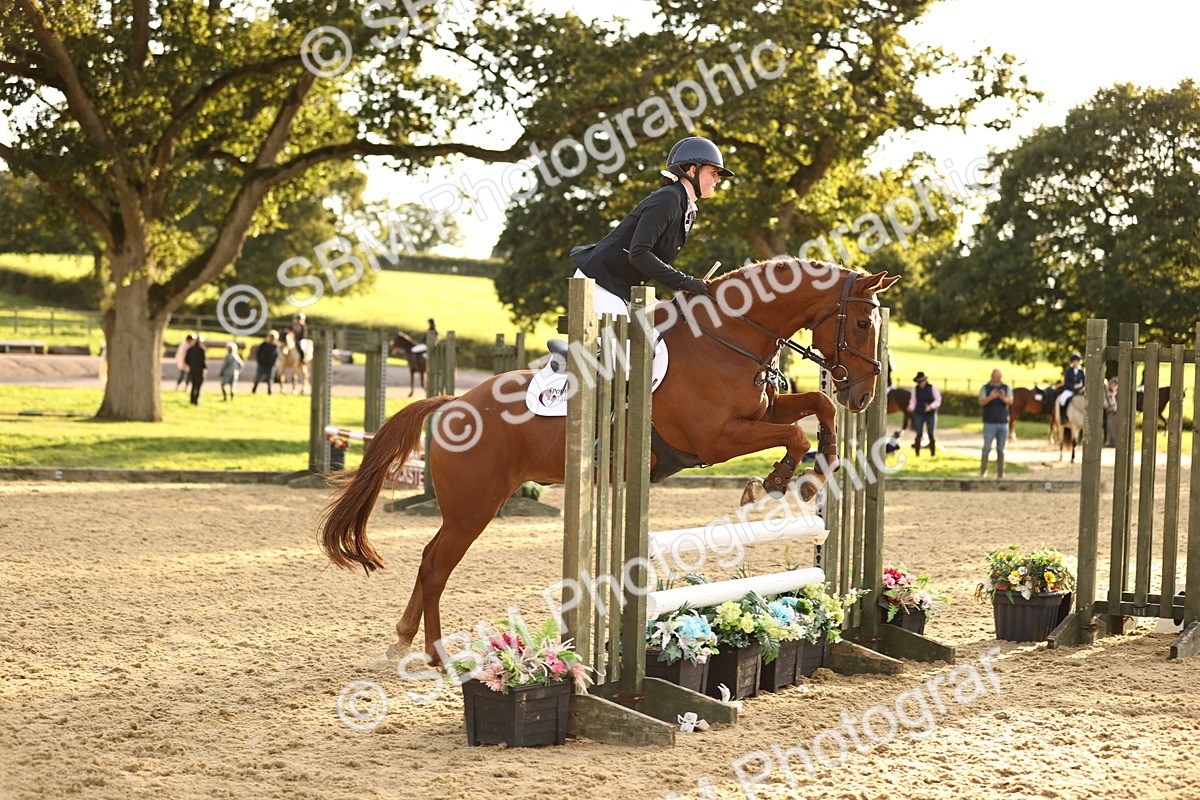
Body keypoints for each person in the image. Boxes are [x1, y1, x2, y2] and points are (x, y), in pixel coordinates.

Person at [568, 136, 728, 317]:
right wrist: (685, 281)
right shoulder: (669, 199)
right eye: (713, 173)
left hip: (624, 288)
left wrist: (687, 284)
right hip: (600, 282)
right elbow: (638, 253)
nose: (718, 179)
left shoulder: (688, 210)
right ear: (693, 170)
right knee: (621, 337)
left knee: (665, 327)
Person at [979, 368, 1012, 478]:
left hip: (1003, 422)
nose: (997, 379)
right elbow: (981, 401)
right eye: (995, 377)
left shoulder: (1006, 388)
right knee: (987, 448)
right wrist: (991, 397)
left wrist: (1003, 397)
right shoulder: (985, 388)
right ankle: (983, 471)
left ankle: (1000, 473)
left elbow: (1010, 401)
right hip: (989, 422)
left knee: (1001, 449)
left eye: (998, 377)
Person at [906, 371, 942, 456]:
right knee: (919, 433)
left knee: (931, 434)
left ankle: (932, 453)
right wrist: (911, 407)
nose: (920, 383)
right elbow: (913, 400)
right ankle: (917, 453)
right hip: (919, 412)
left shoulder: (932, 388)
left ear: (925, 380)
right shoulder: (915, 389)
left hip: (930, 413)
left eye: (921, 381)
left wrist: (930, 406)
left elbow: (938, 400)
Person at [1058, 352, 1085, 423]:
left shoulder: (1082, 371)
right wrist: (1073, 387)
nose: (1076, 362)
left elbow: (1084, 383)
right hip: (1069, 390)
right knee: (1062, 400)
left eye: (1077, 361)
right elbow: (1066, 383)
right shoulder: (1068, 371)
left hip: (1079, 391)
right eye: (1075, 361)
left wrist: (1081, 388)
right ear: (1072, 362)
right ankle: (1063, 417)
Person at [185, 336, 207, 406]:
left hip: (192, 370)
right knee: (198, 386)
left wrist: (191, 365)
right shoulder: (201, 350)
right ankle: (196, 400)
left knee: (193, 385)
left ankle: (192, 399)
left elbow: (186, 360)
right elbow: (203, 360)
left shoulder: (190, 349)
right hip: (200, 370)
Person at [1104, 376, 1119, 447]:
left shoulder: (1112, 392)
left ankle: (1113, 442)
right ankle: (1111, 442)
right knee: (1110, 427)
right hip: (1110, 409)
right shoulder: (1107, 391)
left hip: (1113, 409)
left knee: (1112, 427)